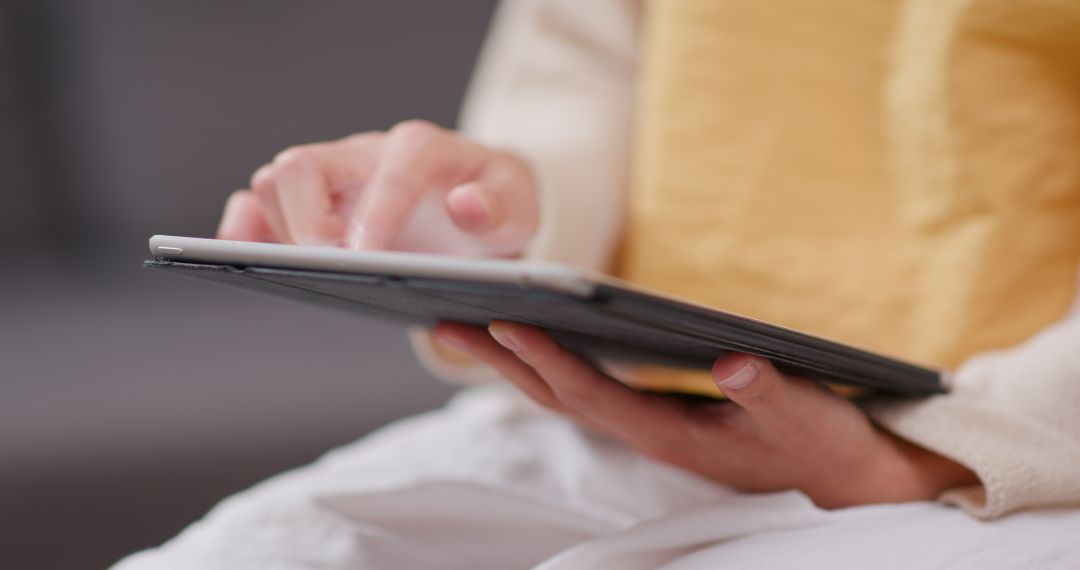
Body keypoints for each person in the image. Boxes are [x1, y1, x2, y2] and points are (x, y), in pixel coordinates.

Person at [115, 0, 1080, 567]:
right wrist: (496, 214)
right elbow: (583, 68)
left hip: (1022, 461)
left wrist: (924, 456)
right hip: (638, 410)